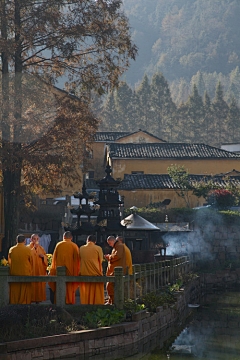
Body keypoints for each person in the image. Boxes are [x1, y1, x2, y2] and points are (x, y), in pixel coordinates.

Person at [49, 231, 80, 304]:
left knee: (59, 287)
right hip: (70, 272)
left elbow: (54, 260)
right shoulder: (74, 246)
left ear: (63, 237)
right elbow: (77, 260)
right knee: (69, 288)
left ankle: (59, 302)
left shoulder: (58, 245)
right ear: (71, 238)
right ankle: (69, 302)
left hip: (59, 271)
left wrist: (53, 271)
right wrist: (76, 271)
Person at [79, 235, 104, 305]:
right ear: (95, 242)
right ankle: (97, 304)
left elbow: (80, 259)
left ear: (87, 240)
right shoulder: (98, 248)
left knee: (85, 293)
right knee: (96, 293)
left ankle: (85, 304)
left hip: (84, 272)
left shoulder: (81, 248)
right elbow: (100, 260)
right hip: (95, 273)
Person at [8, 234, 33, 304]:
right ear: (24, 241)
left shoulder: (11, 249)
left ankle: (13, 303)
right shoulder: (28, 250)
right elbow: (31, 262)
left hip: (14, 273)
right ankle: (24, 303)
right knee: (24, 292)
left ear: (16, 241)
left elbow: (10, 262)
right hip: (25, 274)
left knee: (15, 292)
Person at [105, 235, 127, 305]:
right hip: (114, 270)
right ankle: (111, 300)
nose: (109, 245)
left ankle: (113, 302)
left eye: (109, 243)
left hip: (117, 271)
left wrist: (109, 257)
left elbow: (117, 256)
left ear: (113, 241)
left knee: (110, 285)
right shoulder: (116, 246)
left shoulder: (119, 246)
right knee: (111, 286)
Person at [28, 233, 48, 303]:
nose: (36, 240)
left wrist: (43, 257)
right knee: (32, 286)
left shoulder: (41, 248)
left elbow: (46, 258)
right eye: (34, 239)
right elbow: (28, 257)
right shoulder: (28, 248)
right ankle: (31, 300)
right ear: (31, 240)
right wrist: (34, 248)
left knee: (39, 286)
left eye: (37, 239)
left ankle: (38, 300)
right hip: (32, 271)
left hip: (40, 270)